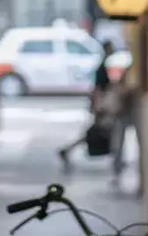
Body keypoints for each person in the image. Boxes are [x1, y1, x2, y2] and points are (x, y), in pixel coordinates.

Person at [58, 41, 116, 169]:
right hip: (100, 105)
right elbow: (98, 89)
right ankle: (67, 149)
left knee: (95, 131)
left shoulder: (103, 66)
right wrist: (98, 106)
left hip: (100, 104)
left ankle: (67, 150)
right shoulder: (102, 68)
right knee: (95, 131)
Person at [111, 64, 142, 186]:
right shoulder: (129, 72)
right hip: (124, 113)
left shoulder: (134, 72)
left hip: (131, 112)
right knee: (118, 143)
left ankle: (118, 170)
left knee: (120, 143)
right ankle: (117, 170)